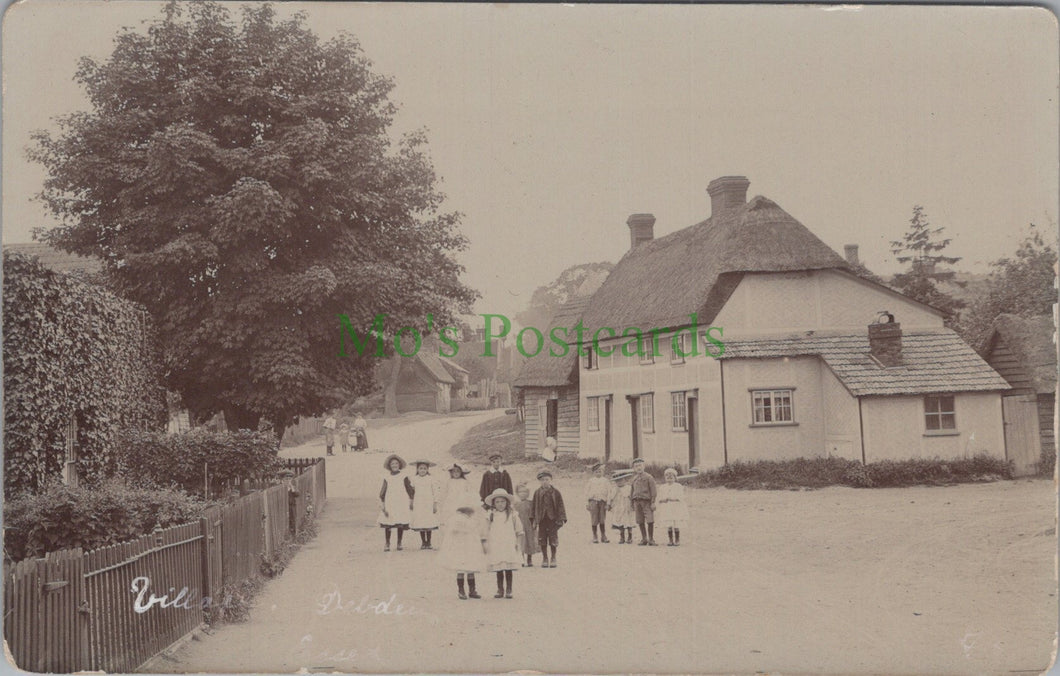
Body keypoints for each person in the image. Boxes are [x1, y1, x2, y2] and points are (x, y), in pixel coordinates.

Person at [439, 506, 487, 600]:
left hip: (471, 547)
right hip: (460, 547)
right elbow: (451, 530)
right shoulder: (456, 519)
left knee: (471, 569)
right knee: (460, 569)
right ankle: (461, 590)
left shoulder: (473, 519)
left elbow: (478, 529)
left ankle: (472, 590)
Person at [484, 489, 523, 599]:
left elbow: (519, 530)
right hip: (496, 544)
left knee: (508, 566)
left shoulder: (512, 514)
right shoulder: (491, 515)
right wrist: (486, 543)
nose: (500, 504)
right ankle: (500, 589)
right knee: (499, 566)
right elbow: (486, 529)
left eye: (502, 501)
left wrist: (518, 543)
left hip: (508, 543)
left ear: (507, 502)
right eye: (497, 502)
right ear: (493, 504)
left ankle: (509, 589)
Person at [531, 470, 566, 568]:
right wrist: (533, 519)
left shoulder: (556, 492)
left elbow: (560, 505)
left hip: (552, 519)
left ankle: (553, 557)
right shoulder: (537, 492)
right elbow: (533, 506)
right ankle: (545, 558)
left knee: (553, 538)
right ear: (539, 481)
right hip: (541, 519)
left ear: (551, 480)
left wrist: (561, 518)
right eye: (542, 480)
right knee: (542, 539)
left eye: (547, 479)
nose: (545, 482)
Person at [378, 454, 413, 551]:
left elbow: (409, 488)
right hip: (390, 501)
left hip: (401, 501)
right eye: (392, 464)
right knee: (388, 521)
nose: (394, 465)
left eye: (396, 463)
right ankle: (387, 542)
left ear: (399, 465)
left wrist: (411, 499)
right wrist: (382, 501)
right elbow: (383, 490)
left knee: (400, 521)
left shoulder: (404, 476)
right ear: (389, 465)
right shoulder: (386, 476)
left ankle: (399, 542)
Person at [409, 460, 440, 549]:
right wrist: (411, 502)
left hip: (428, 502)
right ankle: (423, 542)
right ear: (417, 469)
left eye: (424, 468)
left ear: (427, 470)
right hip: (418, 503)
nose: (422, 470)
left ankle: (429, 542)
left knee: (428, 521)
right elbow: (412, 492)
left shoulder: (431, 479)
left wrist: (435, 503)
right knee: (421, 522)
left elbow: (435, 491)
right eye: (420, 468)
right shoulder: (414, 479)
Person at [657, 467, 690, 546]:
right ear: (665, 478)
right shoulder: (662, 487)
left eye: (671, 476)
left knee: (676, 523)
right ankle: (670, 540)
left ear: (675, 478)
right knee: (669, 524)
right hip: (667, 507)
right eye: (667, 476)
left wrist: (672, 499)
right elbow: (659, 498)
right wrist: (663, 500)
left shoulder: (678, 486)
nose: (669, 477)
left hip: (676, 507)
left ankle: (677, 539)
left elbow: (681, 497)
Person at [630, 458, 658, 546]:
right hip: (637, 502)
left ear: (644, 466)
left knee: (650, 520)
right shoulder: (634, 479)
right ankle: (644, 538)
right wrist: (632, 503)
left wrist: (653, 502)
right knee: (640, 520)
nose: (638, 468)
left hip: (647, 502)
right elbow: (632, 491)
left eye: (640, 465)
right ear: (634, 468)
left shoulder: (649, 477)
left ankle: (651, 539)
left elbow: (653, 491)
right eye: (636, 466)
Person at [513, 483, 540, 567]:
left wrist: (535, 522)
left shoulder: (531, 503)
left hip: (529, 525)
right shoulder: (515, 504)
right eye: (520, 492)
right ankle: (521, 559)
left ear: (528, 493)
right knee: (521, 541)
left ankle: (529, 558)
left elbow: (535, 513)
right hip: (519, 525)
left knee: (529, 541)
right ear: (517, 493)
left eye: (525, 491)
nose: (523, 493)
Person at [584, 462, 612, 543]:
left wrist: (608, 503)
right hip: (593, 502)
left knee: (602, 519)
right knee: (594, 519)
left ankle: (603, 535)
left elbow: (609, 492)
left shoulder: (606, 481)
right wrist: (587, 503)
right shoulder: (591, 481)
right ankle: (595, 535)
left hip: (602, 502)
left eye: (600, 471)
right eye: (596, 471)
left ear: (603, 472)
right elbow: (586, 492)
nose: (598, 473)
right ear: (593, 473)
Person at [609, 470, 635, 544]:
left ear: (625, 480)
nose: (619, 482)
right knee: (620, 521)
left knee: (628, 521)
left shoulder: (628, 488)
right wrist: (610, 505)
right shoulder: (615, 489)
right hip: (618, 507)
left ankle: (630, 536)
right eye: (617, 481)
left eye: (621, 480)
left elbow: (631, 497)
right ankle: (622, 536)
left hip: (627, 506)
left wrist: (633, 505)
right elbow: (611, 498)